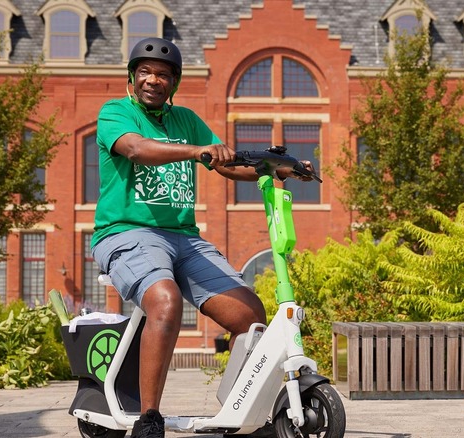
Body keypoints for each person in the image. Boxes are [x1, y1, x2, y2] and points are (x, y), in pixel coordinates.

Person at [91, 37, 314, 438]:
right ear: (132, 76)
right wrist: (196, 151)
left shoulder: (187, 120)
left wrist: (280, 170)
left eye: (162, 75)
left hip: (184, 239)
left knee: (250, 317)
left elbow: (227, 166)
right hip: (127, 232)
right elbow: (138, 149)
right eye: (145, 72)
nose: (152, 80)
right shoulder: (115, 112)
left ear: (173, 83)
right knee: (165, 299)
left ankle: (241, 408)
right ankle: (149, 418)